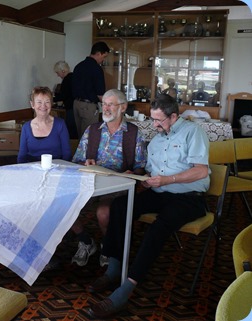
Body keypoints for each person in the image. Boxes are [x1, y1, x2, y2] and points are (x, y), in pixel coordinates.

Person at [88, 94, 210, 318]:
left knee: (158, 226)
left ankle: (127, 288)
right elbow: (152, 173)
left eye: (158, 120)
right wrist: (137, 176)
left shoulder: (193, 132)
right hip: (160, 191)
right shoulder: (156, 140)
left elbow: (201, 170)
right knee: (120, 206)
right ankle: (114, 267)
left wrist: (167, 180)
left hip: (189, 197)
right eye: (152, 119)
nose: (153, 125)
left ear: (173, 116)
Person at [71, 89, 147, 267]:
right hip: (92, 181)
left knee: (103, 213)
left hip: (117, 185)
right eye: (104, 104)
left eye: (110, 104)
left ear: (123, 107)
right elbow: (78, 160)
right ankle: (86, 242)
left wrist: (134, 173)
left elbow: (141, 165)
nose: (105, 108)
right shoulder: (92, 130)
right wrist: (86, 162)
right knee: (65, 207)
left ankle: (108, 246)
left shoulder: (134, 133)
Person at [18, 86, 71, 163]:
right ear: (32, 104)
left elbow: (67, 154)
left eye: (47, 102)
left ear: (51, 104)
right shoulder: (26, 127)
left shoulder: (60, 124)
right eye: (39, 102)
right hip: (32, 170)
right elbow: (21, 157)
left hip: (56, 169)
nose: (43, 106)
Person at [72, 41, 110, 137]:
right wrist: (108, 107)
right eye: (104, 56)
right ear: (98, 53)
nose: (103, 60)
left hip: (76, 104)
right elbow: (100, 94)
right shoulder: (96, 69)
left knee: (80, 136)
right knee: (89, 137)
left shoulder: (78, 66)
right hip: (88, 106)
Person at [53, 61, 77, 139]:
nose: (57, 75)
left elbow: (63, 96)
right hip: (76, 106)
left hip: (71, 107)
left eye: (58, 72)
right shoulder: (74, 76)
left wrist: (51, 99)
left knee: (70, 129)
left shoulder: (67, 79)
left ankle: (71, 148)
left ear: (63, 71)